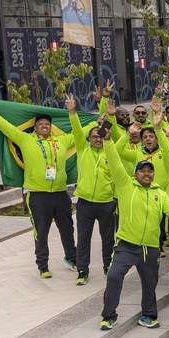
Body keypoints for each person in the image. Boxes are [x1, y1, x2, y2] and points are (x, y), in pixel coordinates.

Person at [100, 112, 169, 330]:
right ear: (135, 173)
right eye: (142, 171)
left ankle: (149, 315)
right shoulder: (125, 185)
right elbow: (113, 158)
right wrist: (114, 137)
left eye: (150, 171)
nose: (147, 174)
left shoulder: (159, 193)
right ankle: (108, 315)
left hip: (150, 248)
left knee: (150, 283)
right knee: (114, 277)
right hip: (126, 245)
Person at [0, 97, 77, 278]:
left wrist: (88, 116)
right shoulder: (25, 140)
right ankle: (43, 266)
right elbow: (5, 126)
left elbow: (81, 132)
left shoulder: (62, 141)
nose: (45, 126)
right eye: (41, 124)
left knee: (68, 229)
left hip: (61, 194)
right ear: (35, 127)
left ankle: (71, 258)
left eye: (47, 123)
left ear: (51, 127)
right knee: (41, 232)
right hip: (38, 196)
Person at [67, 95, 115, 285]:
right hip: (85, 203)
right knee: (84, 238)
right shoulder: (82, 149)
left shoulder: (110, 152)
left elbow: (110, 131)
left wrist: (109, 120)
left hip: (106, 203)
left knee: (107, 239)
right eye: (94, 136)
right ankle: (82, 271)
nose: (97, 138)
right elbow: (77, 130)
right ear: (88, 139)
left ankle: (108, 266)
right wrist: (72, 112)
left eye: (100, 135)